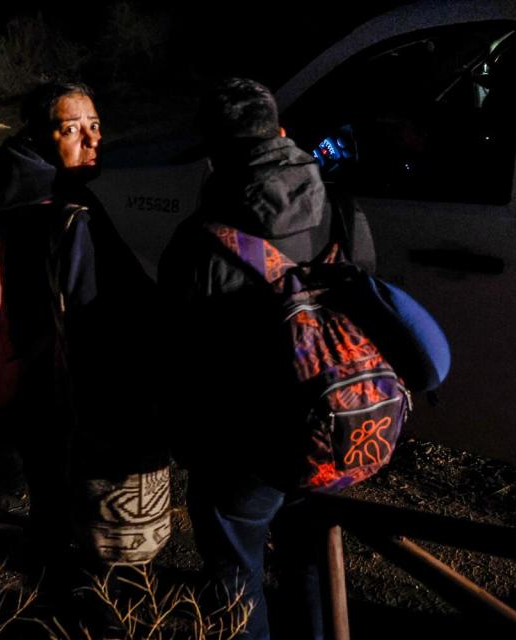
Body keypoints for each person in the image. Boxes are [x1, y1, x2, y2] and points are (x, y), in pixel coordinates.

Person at [158, 78, 374, 640]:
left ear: (212, 156)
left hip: (242, 450)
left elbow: (183, 359)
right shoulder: (344, 212)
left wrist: (185, 442)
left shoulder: (198, 243)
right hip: (332, 427)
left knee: (236, 571)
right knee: (309, 559)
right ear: (281, 132)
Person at [0, 81, 157, 583]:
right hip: (53, 374)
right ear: (40, 135)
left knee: (44, 485)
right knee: (64, 491)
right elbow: (87, 308)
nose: (92, 140)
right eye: (72, 129)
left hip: (12, 369)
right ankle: (67, 597)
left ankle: (47, 579)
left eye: (95, 126)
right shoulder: (60, 211)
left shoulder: (2, 185)